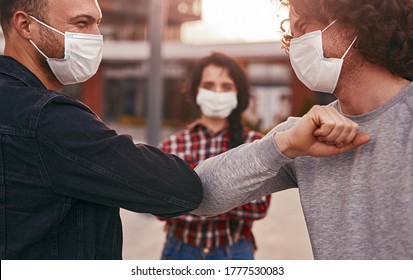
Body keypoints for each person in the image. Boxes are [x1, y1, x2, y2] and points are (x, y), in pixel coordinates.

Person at [192, 0, 413, 260]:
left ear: (360, 23)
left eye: (305, 27)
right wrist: (282, 145)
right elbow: (201, 195)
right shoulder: (304, 135)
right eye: (292, 34)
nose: (295, 45)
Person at [0, 0, 203, 259]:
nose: (96, 37)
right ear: (25, 25)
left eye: (98, 24)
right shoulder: (48, 120)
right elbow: (181, 189)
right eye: (82, 24)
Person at [158, 52, 271, 260]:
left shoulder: (255, 143)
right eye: (209, 85)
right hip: (180, 251)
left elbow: (259, 207)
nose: (217, 92)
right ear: (196, 90)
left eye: (226, 87)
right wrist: (230, 195)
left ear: (238, 93)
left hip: (235, 251)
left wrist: (191, 197)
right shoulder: (172, 145)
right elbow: (160, 206)